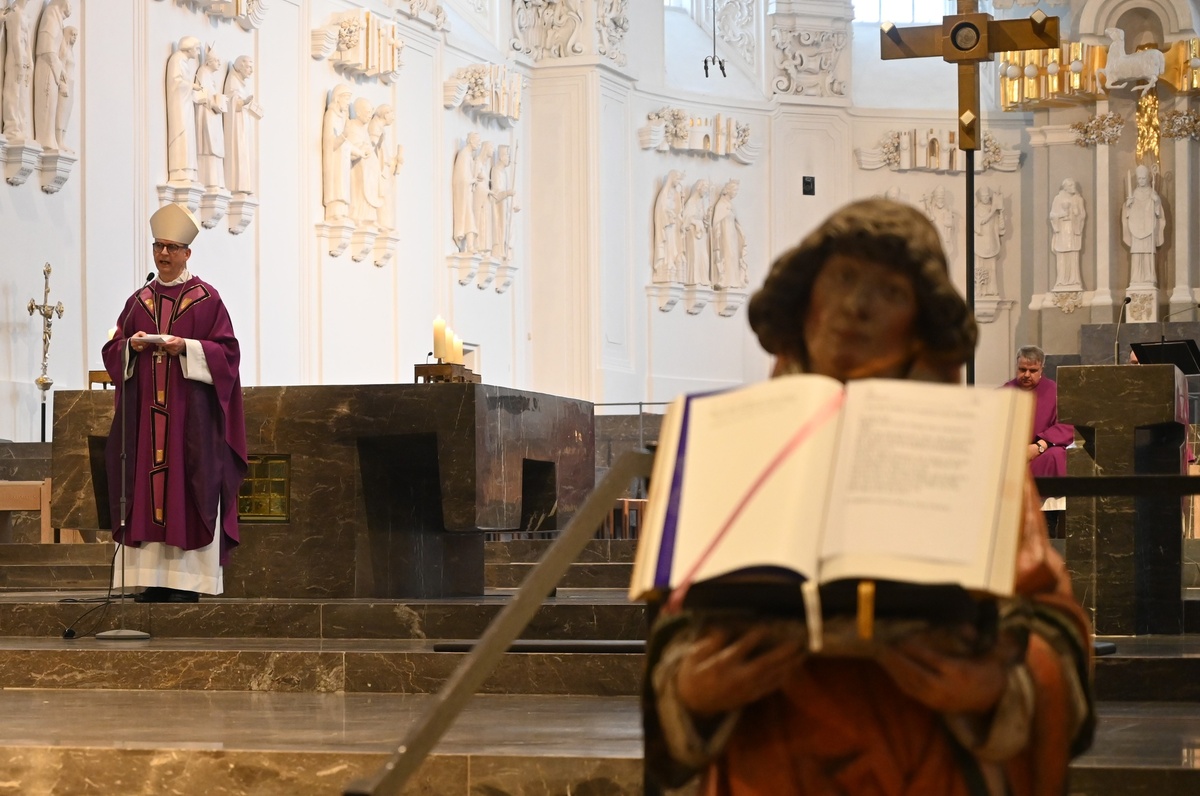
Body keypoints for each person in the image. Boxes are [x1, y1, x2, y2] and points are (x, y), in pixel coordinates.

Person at [644, 199, 1093, 796]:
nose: (857, 306)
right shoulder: (736, 442)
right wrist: (690, 692)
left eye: (889, 292)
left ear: (921, 324)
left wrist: (997, 691)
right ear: (805, 298)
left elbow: (1052, 629)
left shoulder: (970, 454)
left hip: (925, 757)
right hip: (767, 757)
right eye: (844, 278)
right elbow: (676, 621)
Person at [102, 203, 247, 603]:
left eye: (171, 247)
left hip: (191, 422)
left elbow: (228, 355)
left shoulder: (206, 299)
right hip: (145, 424)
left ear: (187, 252)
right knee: (145, 492)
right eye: (158, 246)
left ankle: (188, 584)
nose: (163, 254)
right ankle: (153, 580)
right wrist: (130, 347)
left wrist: (187, 347)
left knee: (187, 491)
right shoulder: (139, 300)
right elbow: (112, 349)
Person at [1003, 345, 1074, 539]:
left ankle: (1049, 523)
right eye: (1022, 369)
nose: (1027, 375)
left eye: (1033, 370)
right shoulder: (1005, 392)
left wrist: (1039, 446)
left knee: (1057, 456)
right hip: (1013, 455)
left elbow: (1066, 424)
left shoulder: (1054, 391)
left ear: (1042, 368)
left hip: (1042, 452)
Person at [31, 0, 70, 151]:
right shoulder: (51, 15)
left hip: (53, 66)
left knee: (52, 104)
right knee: (47, 102)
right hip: (47, 67)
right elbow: (47, 49)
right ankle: (45, 137)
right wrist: (60, 70)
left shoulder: (56, 17)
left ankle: (50, 137)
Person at [165, 36, 203, 184]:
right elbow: (176, 82)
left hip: (186, 104)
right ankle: (180, 170)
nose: (198, 52)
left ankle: (189, 170)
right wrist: (192, 86)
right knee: (183, 133)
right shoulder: (177, 60)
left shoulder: (183, 61)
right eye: (197, 49)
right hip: (179, 106)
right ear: (189, 47)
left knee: (189, 136)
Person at [1122, 164, 1165, 288]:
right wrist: (1128, 205)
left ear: (1148, 178)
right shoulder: (1133, 193)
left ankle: (1149, 277)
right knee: (1136, 253)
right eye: (1139, 178)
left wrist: (1156, 201)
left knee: (1147, 253)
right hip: (1136, 228)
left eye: (1143, 178)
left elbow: (1158, 213)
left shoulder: (1152, 192)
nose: (1141, 181)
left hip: (1148, 228)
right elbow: (1128, 213)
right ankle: (1136, 278)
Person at [321, 84, 353, 223]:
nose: (348, 102)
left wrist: (359, 151)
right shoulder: (331, 115)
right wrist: (344, 135)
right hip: (335, 161)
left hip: (343, 160)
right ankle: (335, 213)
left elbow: (346, 143)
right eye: (346, 98)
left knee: (343, 185)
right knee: (337, 186)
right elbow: (330, 143)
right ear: (337, 98)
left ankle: (342, 212)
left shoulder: (343, 117)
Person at [1049, 178, 1085, 290]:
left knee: (1073, 254)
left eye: (1074, 185)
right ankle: (1061, 280)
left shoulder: (1078, 199)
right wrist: (1061, 214)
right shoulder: (1058, 199)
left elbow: (1082, 215)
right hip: (1062, 231)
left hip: (1073, 230)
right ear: (1065, 187)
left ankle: (1074, 280)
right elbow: (1052, 215)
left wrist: (1077, 214)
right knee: (1062, 254)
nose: (1073, 187)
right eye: (1070, 185)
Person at [973, 186, 1005, 298]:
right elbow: (981, 221)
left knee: (992, 267)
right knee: (979, 266)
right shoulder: (976, 209)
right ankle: (980, 290)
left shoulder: (993, 209)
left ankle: (992, 289)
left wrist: (1000, 213)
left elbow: (999, 226)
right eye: (983, 196)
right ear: (980, 197)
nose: (986, 198)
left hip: (991, 241)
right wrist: (993, 211)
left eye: (987, 196)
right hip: (980, 242)